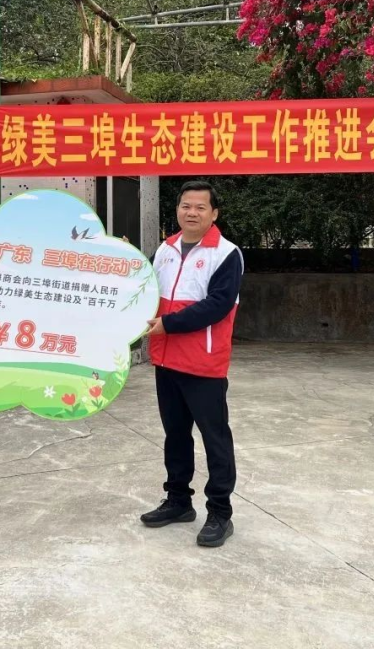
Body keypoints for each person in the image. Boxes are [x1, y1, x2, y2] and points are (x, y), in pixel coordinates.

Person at [142, 180, 243, 548]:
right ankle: (178, 501)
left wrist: (169, 324)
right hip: (166, 360)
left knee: (215, 439)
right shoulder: (164, 249)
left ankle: (220, 512)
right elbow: (144, 291)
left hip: (203, 363)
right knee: (175, 435)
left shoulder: (226, 254)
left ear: (214, 213)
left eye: (201, 207)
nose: (192, 212)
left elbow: (217, 305)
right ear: (177, 210)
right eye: (186, 206)